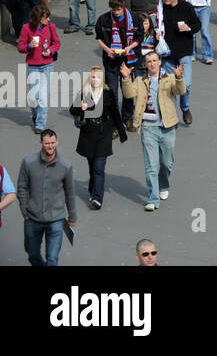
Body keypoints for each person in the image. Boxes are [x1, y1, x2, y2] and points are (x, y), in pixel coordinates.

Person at [119, 52, 186, 211]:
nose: (152, 64)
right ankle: (153, 199)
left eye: (155, 60)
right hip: (148, 127)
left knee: (167, 163)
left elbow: (180, 91)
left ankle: (164, 185)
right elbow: (129, 94)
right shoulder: (140, 81)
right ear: (146, 64)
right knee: (151, 165)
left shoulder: (169, 78)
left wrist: (178, 77)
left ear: (160, 62)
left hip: (167, 126)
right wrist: (126, 78)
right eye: (149, 61)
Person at [69, 66, 127, 210]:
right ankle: (92, 187)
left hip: (103, 134)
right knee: (92, 166)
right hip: (88, 134)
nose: (95, 80)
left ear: (102, 79)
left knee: (99, 167)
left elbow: (115, 113)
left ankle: (97, 198)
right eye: (93, 77)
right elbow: (72, 109)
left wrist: (121, 132)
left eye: (98, 77)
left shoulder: (108, 93)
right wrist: (80, 108)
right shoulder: (84, 93)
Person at [17, 129, 76, 266]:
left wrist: (72, 217)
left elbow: (70, 192)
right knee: (32, 255)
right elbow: (22, 187)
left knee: (52, 259)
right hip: (32, 218)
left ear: (57, 142)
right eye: (47, 143)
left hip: (56, 219)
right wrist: (25, 211)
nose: (50, 146)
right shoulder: (28, 162)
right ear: (41, 143)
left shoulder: (65, 166)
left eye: (53, 142)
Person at [159, 0, 201, 123]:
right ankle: (172, 115)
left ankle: (185, 108)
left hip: (184, 53)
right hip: (167, 55)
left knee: (186, 84)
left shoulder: (186, 7)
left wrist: (188, 28)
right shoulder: (160, 9)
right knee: (170, 86)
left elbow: (197, 25)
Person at [17, 4, 60, 133]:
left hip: (47, 64)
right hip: (33, 65)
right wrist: (29, 46)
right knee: (33, 96)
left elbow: (56, 43)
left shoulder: (51, 27)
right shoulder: (26, 28)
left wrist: (50, 51)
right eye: (46, 18)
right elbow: (20, 47)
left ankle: (40, 124)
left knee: (43, 95)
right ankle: (36, 115)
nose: (49, 20)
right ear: (38, 18)